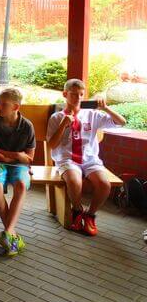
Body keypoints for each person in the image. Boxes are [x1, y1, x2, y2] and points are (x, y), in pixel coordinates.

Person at [47, 79, 126, 236]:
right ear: (65, 94)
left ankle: (90, 215)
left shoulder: (92, 114)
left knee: (104, 184)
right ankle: (77, 210)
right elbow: (52, 145)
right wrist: (63, 124)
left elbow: (121, 122)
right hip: (67, 159)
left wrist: (105, 108)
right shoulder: (57, 117)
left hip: (90, 160)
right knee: (74, 181)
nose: (78, 98)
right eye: (73, 94)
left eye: (81, 94)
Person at [0, 88, 35, 256]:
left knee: (21, 185)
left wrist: (10, 157)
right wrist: (16, 155)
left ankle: (8, 231)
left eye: (3, 104)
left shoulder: (27, 126)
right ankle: (11, 235)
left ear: (16, 107)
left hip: (19, 166)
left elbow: (29, 158)